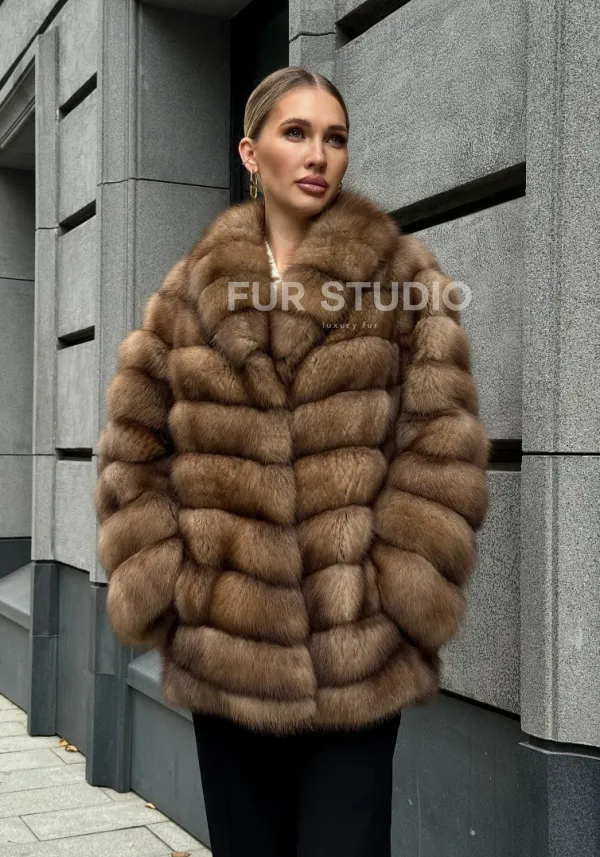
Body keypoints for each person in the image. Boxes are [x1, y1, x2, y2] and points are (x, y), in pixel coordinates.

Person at [95, 66, 490, 857]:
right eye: (296, 133)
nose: (318, 155)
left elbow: (442, 447)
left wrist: (393, 593)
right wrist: (177, 585)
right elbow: (133, 451)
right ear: (251, 153)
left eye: (335, 138)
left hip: (355, 659)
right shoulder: (188, 295)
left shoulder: (404, 283)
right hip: (226, 654)